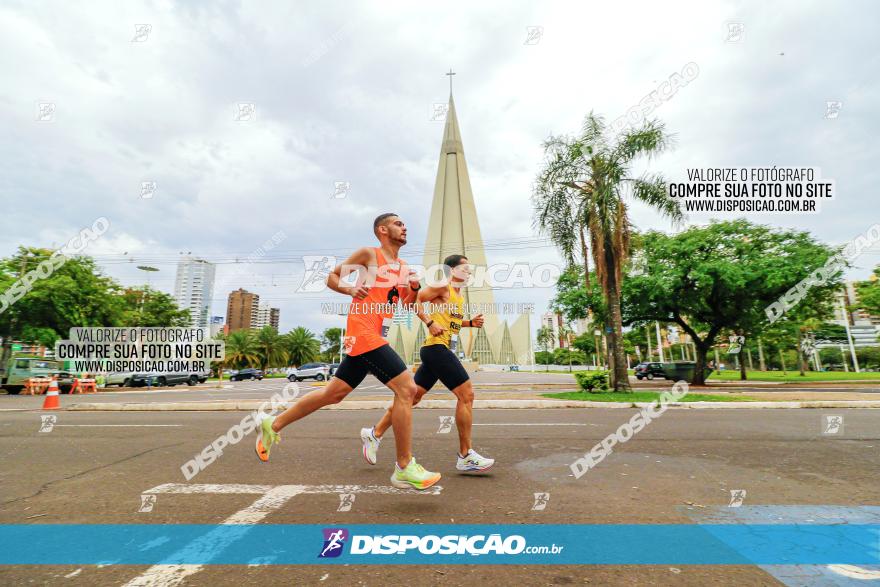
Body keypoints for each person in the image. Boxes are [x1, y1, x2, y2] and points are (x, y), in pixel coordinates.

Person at [255, 213, 441, 490]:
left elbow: (404, 303)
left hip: (375, 334)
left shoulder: (402, 265)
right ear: (382, 229)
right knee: (407, 390)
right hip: (362, 332)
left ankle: (274, 423)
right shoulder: (369, 254)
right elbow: (331, 277)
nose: (404, 227)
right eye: (398, 223)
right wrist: (351, 289)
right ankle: (404, 466)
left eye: (404, 224)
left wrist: (413, 287)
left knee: (334, 394)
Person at [360, 254, 494, 473]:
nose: (469, 273)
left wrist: (470, 323)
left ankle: (374, 434)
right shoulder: (443, 286)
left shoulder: (458, 297)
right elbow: (414, 301)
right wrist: (429, 322)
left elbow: (451, 323)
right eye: (465, 269)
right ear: (452, 270)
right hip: (435, 349)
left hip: (438, 350)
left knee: (412, 397)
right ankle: (465, 455)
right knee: (466, 395)